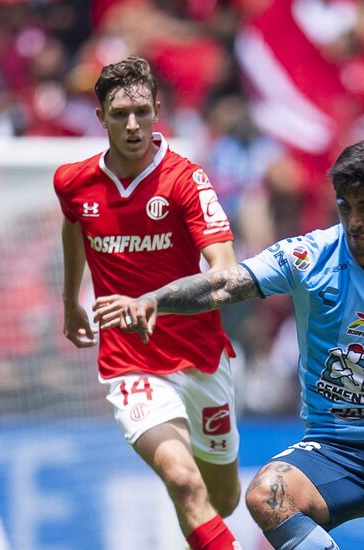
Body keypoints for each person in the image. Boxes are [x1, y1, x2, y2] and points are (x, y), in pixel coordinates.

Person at [95, 138, 364, 550]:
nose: (354, 222)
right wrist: (154, 300)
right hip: (334, 447)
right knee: (266, 495)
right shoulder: (309, 256)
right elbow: (224, 285)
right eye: (344, 206)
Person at [55, 55, 241, 550]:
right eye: (119, 114)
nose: (132, 124)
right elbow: (74, 224)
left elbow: (225, 270)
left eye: (141, 111)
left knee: (220, 501)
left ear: (158, 110)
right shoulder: (73, 182)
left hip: (200, 356)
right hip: (129, 361)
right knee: (182, 481)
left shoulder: (184, 180)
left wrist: (159, 301)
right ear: (101, 119)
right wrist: (72, 298)